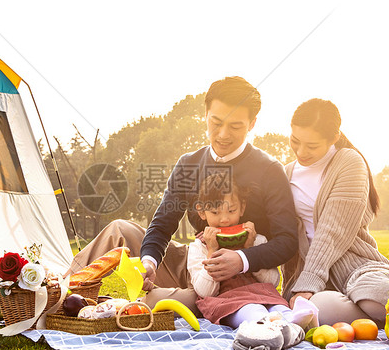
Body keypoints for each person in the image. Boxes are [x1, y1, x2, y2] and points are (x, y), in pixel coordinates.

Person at [66, 77, 299, 313]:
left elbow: (287, 240)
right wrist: (149, 262)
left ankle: (187, 302)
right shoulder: (189, 165)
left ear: (252, 123)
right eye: (216, 123)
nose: (223, 134)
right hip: (195, 263)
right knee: (119, 228)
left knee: (161, 302)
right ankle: (57, 294)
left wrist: (242, 258)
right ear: (205, 115)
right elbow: (162, 225)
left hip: (242, 282)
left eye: (235, 126)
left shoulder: (269, 169)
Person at [281, 98, 389, 326]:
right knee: (321, 309)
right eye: (295, 141)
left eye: (312, 146)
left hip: (358, 269)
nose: (301, 151)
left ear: (334, 138)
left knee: (375, 299)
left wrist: (308, 282)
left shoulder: (349, 162)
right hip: (312, 281)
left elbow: (333, 229)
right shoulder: (286, 173)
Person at [190, 173, 318, 330]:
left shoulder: (256, 239)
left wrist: (251, 250)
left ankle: (295, 322)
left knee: (280, 310)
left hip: (265, 296)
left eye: (231, 211)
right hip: (228, 303)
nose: (224, 219)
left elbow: (272, 282)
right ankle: (277, 327)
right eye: (215, 213)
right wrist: (212, 252)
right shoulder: (199, 247)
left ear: (242, 207)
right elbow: (205, 291)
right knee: (253, 311)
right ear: (202, 212)